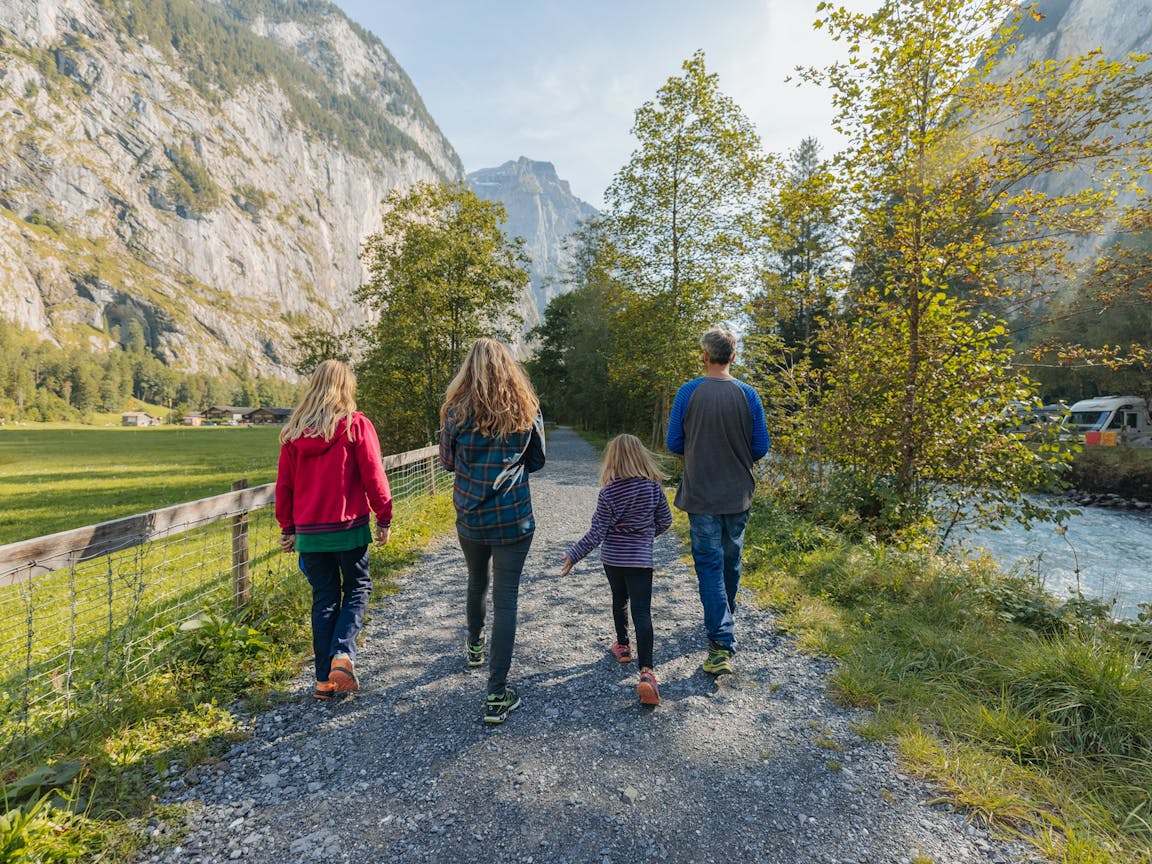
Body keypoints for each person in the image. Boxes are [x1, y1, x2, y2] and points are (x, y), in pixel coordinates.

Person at [440, 338, 545, 725]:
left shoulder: (453, 412)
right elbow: (536, 461)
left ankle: (473, 647)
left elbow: (448, 463)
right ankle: (497, 694)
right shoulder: (526, 408)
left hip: (470, 517)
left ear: (468, 369)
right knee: (507, 601)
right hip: (513, 518)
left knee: (475, 580)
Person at [275, 360, 392, 700]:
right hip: (348, 527)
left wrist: (288, 527)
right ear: (346, 387)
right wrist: (383, 516)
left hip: (310, 533)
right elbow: (374, 474)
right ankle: (342, 654)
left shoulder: (293, 434)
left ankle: (323, 681)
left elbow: (285, 486)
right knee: (358, 588)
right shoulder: (355, 426)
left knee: (324, 598)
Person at [666, 328, 769, 676]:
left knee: (709, 566)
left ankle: (721, 640)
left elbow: (673, 443)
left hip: (701, 494)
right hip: (738, 494)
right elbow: (761, 447)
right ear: (733, 357)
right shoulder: (748, 394)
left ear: (705, 357)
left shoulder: (688, 392)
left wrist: (699, 448)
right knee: (730, 561)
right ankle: (724, 620)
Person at [560, 434, 672, 706]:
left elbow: (597, 532)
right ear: (641, 456)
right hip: (641, 561)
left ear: (613, 460)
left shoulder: (609, 492)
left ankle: (622, 647)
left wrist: (574, 555)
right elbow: (666, 522)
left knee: (619, 600)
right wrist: (645, 537)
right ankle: (647, 673)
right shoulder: (653, 489)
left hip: (613, 559)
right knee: (642, 612)